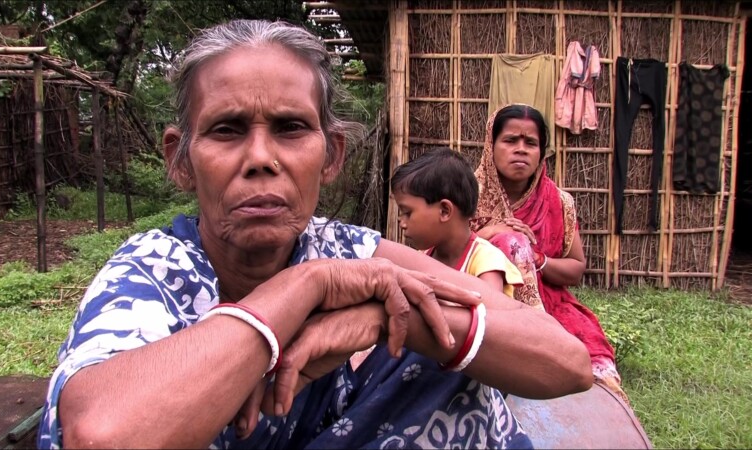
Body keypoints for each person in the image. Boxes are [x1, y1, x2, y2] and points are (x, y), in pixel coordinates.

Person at [37, 21, 593, 449]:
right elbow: (101, 434)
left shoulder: (350, 248)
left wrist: (382, 317)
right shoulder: (153, 271)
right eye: (226, 130)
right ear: (180, 160)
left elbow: (565, 361)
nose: (260, 158)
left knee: (444, 350)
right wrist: (302, 288)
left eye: (291, 128)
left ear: (331, 156)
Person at [471, 103, 628, 403]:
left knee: (596, 377)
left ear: (542, 152)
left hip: (550, 307)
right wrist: (490, 234)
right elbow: (438, 256)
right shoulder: (465, 193)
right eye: (510, 140)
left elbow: (575, 268)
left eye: (531, 143)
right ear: (490, 145)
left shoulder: (558, 201)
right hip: (479, 305)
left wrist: (536, 258)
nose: (521, 149)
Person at [391, 147, 524, 297]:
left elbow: (488, 312)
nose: (402, 223)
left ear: (444, 211)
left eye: (408, 213)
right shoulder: (421, 258)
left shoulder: (486, 260)